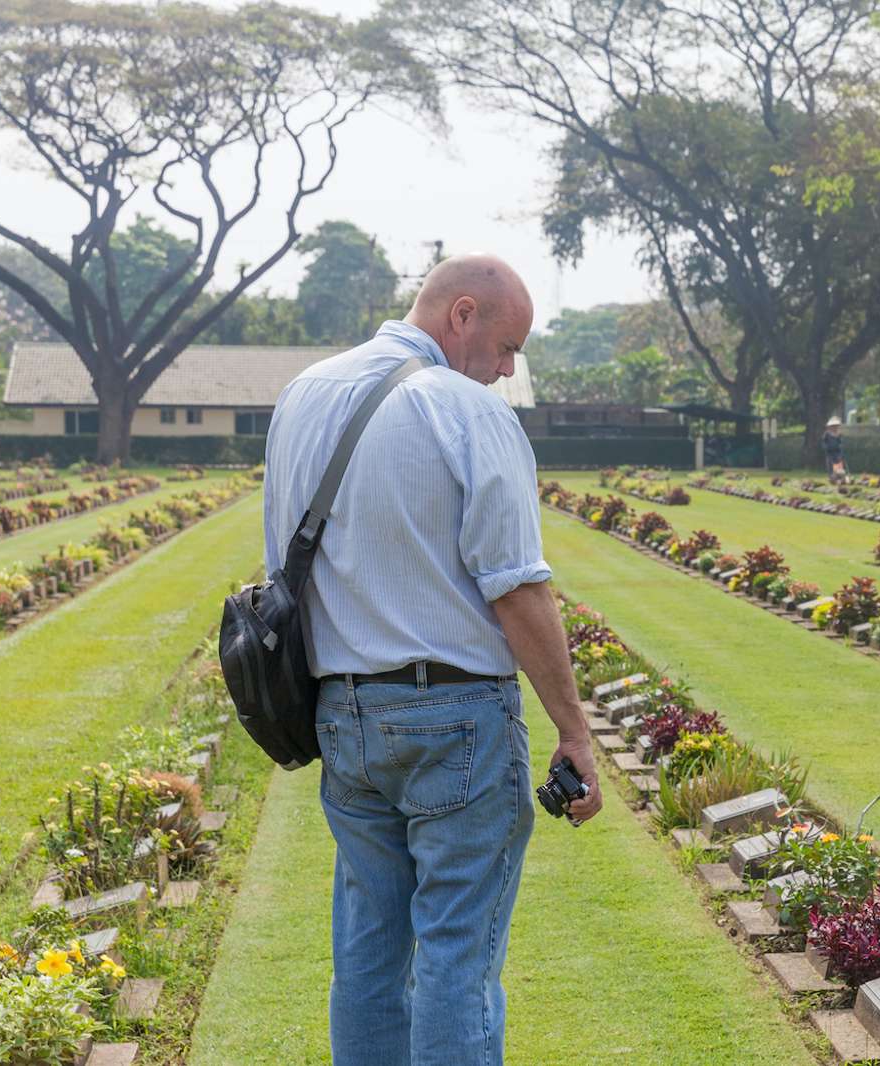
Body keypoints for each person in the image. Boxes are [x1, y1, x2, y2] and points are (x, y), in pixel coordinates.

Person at [262, 254, 602, 1066]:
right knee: (458, 955)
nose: (509, 369)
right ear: (461, 315)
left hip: (341, 712)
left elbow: (282, 567)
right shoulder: (464, 410)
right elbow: (517, 588)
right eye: (508, 345)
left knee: (370, 954)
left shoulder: (302, 396)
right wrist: (575, 730)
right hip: (454, 717)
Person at [823, 414, 847, 482]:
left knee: (839, 464)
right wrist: (826, 447)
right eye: (833, 426)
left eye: (836, 426)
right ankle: (831, 477)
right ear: (830, 427)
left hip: (837, 452)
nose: (834, 428)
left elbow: (841, 442)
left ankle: (840, 477)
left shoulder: (839, 434)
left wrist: (841, 446)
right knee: (830, 464)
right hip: (830, 452)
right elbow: (824, 442)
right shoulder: (827, 434)